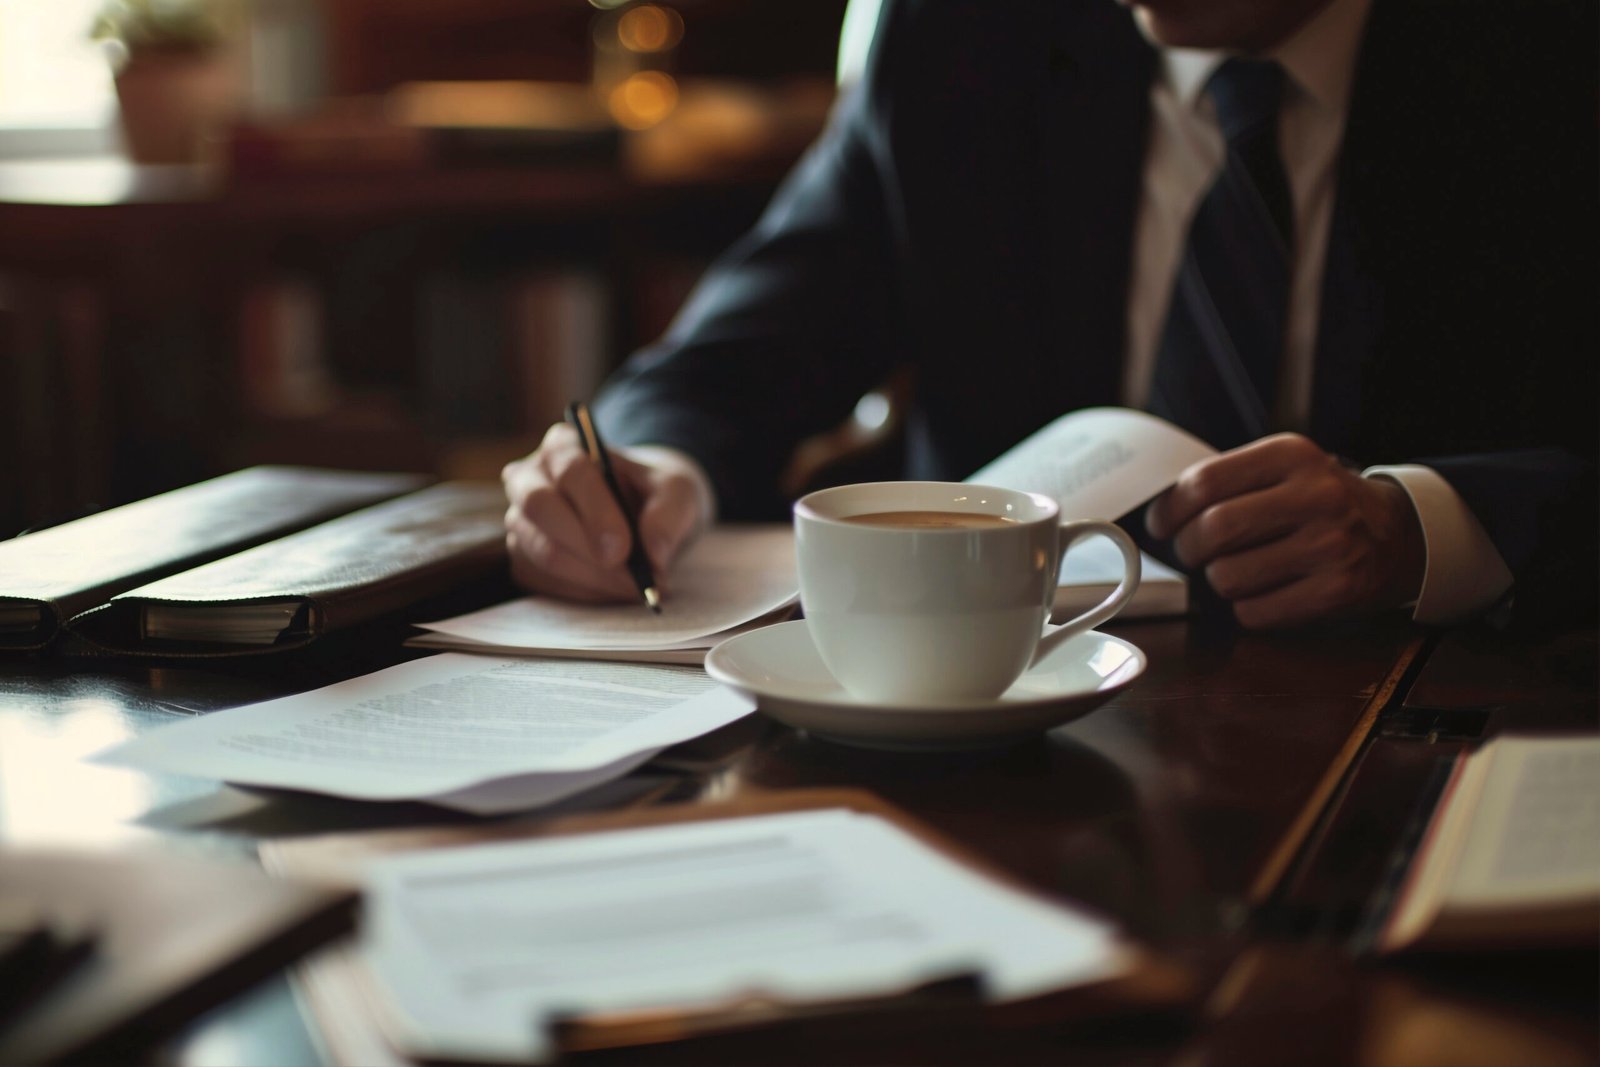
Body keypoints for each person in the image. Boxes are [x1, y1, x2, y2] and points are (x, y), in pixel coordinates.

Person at [502, 0, 1596, 629]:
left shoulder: (1542, 57)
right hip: (984, 736)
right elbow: (736, 355)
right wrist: (640, 473)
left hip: (1423, 725)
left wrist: (1421, 529)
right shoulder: (966, 34)